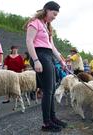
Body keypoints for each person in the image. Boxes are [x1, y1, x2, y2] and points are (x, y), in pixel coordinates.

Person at [25, 1, 67, 132]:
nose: (54, 17)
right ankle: (46, 123)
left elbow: (52, 46)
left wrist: (61, 60)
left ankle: (52, 118)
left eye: (56, 15)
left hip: (48, 55)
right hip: (40, 55)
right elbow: (29, 42)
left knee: (52, 89)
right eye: (54, 14)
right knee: (48, 90)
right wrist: (36, 60)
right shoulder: (35, 22)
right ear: (47, 10)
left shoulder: (47, 26)